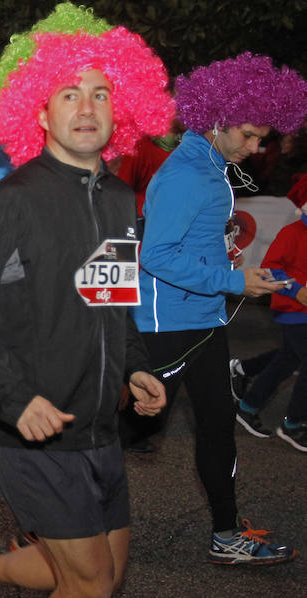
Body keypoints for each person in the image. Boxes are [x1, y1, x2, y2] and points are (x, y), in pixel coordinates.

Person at [0, 8, 174, 595]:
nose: (86, 108)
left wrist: (135, 367)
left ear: (123, 108)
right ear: (39, 110)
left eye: (101, 93)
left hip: (99, 425)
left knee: (100, 573)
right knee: (89, 586)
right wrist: (13, 399)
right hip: (32, 430)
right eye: (69, 94)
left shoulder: (117, 197)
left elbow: (114, 300)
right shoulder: (11, 200)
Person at [129, 52, 306, 565]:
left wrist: (233, 271)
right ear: (216, 119)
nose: (255, 148)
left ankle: (226, 533)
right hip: (169, 324)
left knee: (217, 423)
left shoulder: (209, 166)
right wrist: (231, 280)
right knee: (128, 429)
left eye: (262, 138)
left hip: (202, 319)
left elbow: (190, 246)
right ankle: (42, 510)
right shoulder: (190, 175)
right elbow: (156, 256)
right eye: (248, 135)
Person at [231, 190, 307, 452]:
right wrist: (296, 290)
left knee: (288, 358)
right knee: (296, 359)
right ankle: (293, 423)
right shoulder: (293, 233)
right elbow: (271, 267)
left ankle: (247, 403)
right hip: (293, 308)